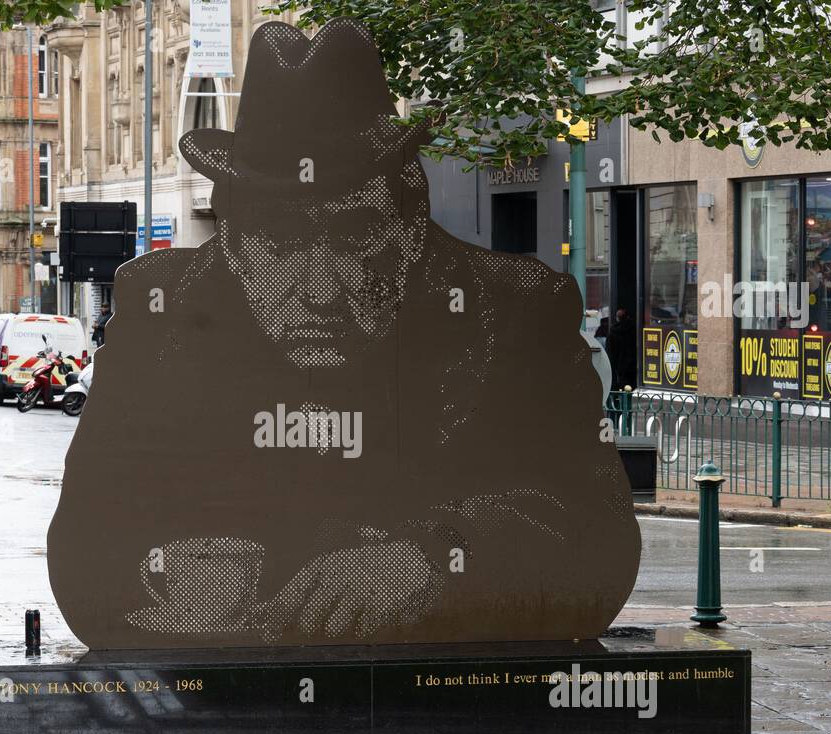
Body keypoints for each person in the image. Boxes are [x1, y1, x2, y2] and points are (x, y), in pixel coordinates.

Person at [47, 19, 641, 650]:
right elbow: (83, 552)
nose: (320, 283)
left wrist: (432, 567)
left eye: (356, 237)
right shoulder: (160, 316)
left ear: (410, 222)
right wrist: (165, 568)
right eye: (281, 241)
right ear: (234, 241)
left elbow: (597, 543)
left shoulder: (515, 311)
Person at [605, 307, 637, 392]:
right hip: (632, 365)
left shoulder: (612, 332)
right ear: (627, 317)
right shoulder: (634, 330)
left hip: (618, 367)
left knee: (620, 388)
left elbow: (610, 352)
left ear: (617, 318)